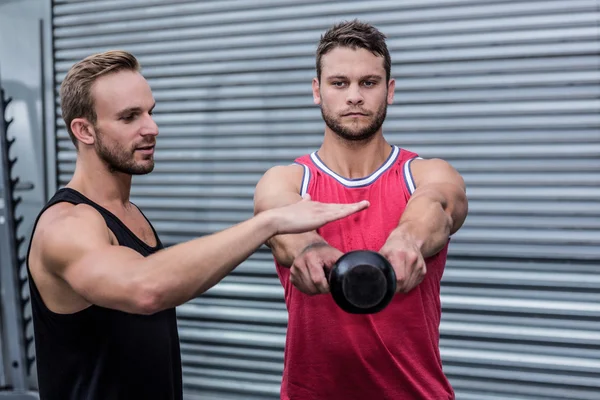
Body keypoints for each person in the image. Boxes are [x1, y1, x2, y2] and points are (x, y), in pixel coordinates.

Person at [25, 50, 369, 400]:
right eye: (130, 118)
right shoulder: (67, 224)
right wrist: (269, 222)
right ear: (85, 131)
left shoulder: (128, 212)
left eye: (150, 112)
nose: (152, 128)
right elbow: (146, 288)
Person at [254, 20, 468, 400]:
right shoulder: (286, 180)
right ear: (317, 91)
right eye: (339, 83)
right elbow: (278, 220)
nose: (354, 96)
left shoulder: (425, 173)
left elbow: (437, 205)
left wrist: (407, 238)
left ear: (390, 90)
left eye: (369, 83)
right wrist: (307, 249)